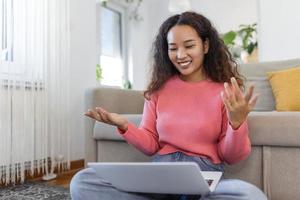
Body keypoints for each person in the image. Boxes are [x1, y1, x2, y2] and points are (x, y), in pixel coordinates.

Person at [70, 11, 267, 200]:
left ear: (205, 45)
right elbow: (151, 145)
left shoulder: (226, 91)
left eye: (189, 46)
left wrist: (237, 124)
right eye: (173, 48)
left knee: (249, 195)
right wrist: (124, 126)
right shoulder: (158, 89)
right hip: (160, 177)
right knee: (83, 181)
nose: (180, 55)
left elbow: (231, 156)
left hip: (204, 179)